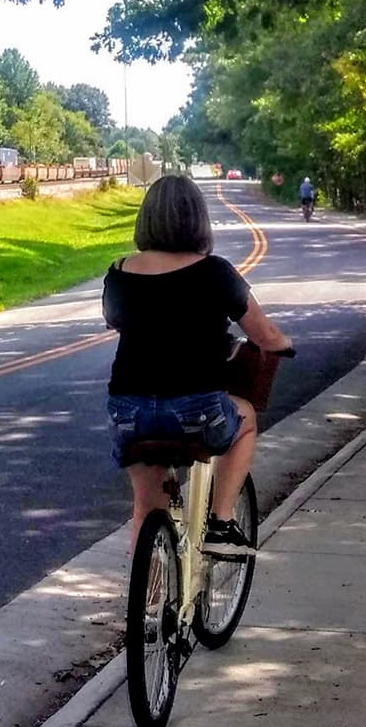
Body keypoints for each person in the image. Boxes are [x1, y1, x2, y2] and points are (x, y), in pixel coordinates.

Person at [103, 175, 293, 558]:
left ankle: (148, 608)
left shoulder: (120, 270)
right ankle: (221, 523)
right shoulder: (216, 272)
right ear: (198, 220)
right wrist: (284, 345)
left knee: (146, 506)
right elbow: (265, 335)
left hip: (129, 411)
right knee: (245, 420)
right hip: (196, 410)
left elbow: (113, 320)